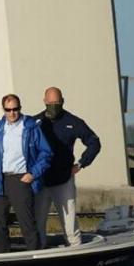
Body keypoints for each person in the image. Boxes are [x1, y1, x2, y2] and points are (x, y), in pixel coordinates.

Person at [0, 94, 53, 252]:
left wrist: (33, 174)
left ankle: (34, 258)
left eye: (16, 109)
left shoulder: (31, 127)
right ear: (3, 109)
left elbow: (46, 153)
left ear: (20, 108)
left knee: (27, 223)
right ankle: (4, 259)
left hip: (21, 180)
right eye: (8, 110)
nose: (12, 113)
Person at [34, 86, 101, 247]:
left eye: (57, 102)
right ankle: (38, 256)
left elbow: (94, 142)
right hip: (40, 181)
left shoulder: (74, 122)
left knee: (70, 227)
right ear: (44, 102)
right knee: (37, 225)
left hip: (64, 181)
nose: (53, 106)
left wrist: (81, 164)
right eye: (50, 103)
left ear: (63, 101)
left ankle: (76, 255)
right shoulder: (35, 122)